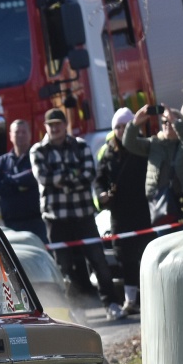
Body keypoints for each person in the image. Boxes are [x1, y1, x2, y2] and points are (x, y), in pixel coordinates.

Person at [29, 107, 123, 319]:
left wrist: (61, 179)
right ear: (45, 127)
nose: (55, 128)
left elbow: (88, 174)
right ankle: (75, 309)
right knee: (64, 267)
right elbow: (43, 178)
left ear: (65, 125)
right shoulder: (38, 150)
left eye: (58, 124)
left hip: (83, 215)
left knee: (98, 260)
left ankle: (111, 304)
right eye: (50, 125)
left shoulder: (80, 145)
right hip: (55, 218)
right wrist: (73, 176)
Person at [95, 108, 150, 316]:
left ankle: (149, 297)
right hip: (119, 213)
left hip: (143, 209)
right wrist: (101, 195)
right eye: (117, 127)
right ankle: (130, 301)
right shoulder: (107, 151)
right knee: (125, 257)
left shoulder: (143, 145)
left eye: (125, 126)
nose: (120, 130)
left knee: (146, 253)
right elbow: (99, 179)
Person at [122, 102, 183, 225]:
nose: (167, 125)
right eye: (164, 122)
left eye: (170, 122)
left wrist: (175, 121)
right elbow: (128, 143)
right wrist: (135, 123)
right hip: (161, 203)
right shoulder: (155, 144)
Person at [0, 119, 47, 240]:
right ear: (10, 136)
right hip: (11, 223)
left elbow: (33, 177)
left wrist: (8, 180)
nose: (20, 135)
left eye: (24, 132)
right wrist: (19, 187)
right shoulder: (2, 161)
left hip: (37, 222)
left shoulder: (38, 156)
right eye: (16, 132)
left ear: (30, 135)